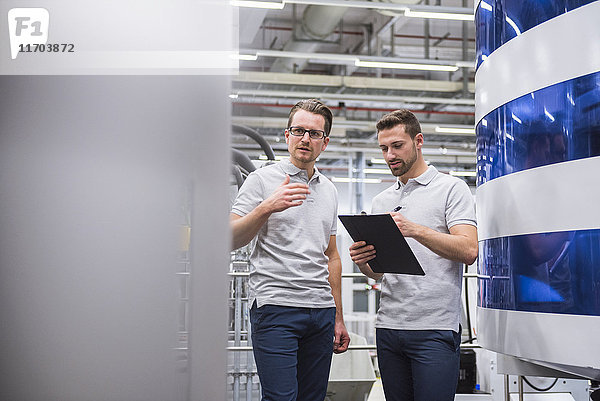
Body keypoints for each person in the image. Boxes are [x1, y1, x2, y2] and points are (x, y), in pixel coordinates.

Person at [348, 109, 478, 401]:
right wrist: (364, 261)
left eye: (397, 146)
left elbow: (469, 250)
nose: (390, 155)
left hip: (434, 328)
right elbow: (379, 273)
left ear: (418, 141)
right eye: (384, 148)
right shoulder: (383, 200)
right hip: (389, 327)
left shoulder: (451, 189)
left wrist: (416, 230)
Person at [230, 99, 350, 401]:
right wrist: (268, 206)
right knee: (281, 397)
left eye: (313, 133)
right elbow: (229, 238)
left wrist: (338, 316)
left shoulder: (329, 189)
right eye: (298, 131)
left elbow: (332, 256)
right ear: (287, 136)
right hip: (275, 307)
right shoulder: (261, 180)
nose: (305, 139)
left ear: (324, 142)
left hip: (320, 311)